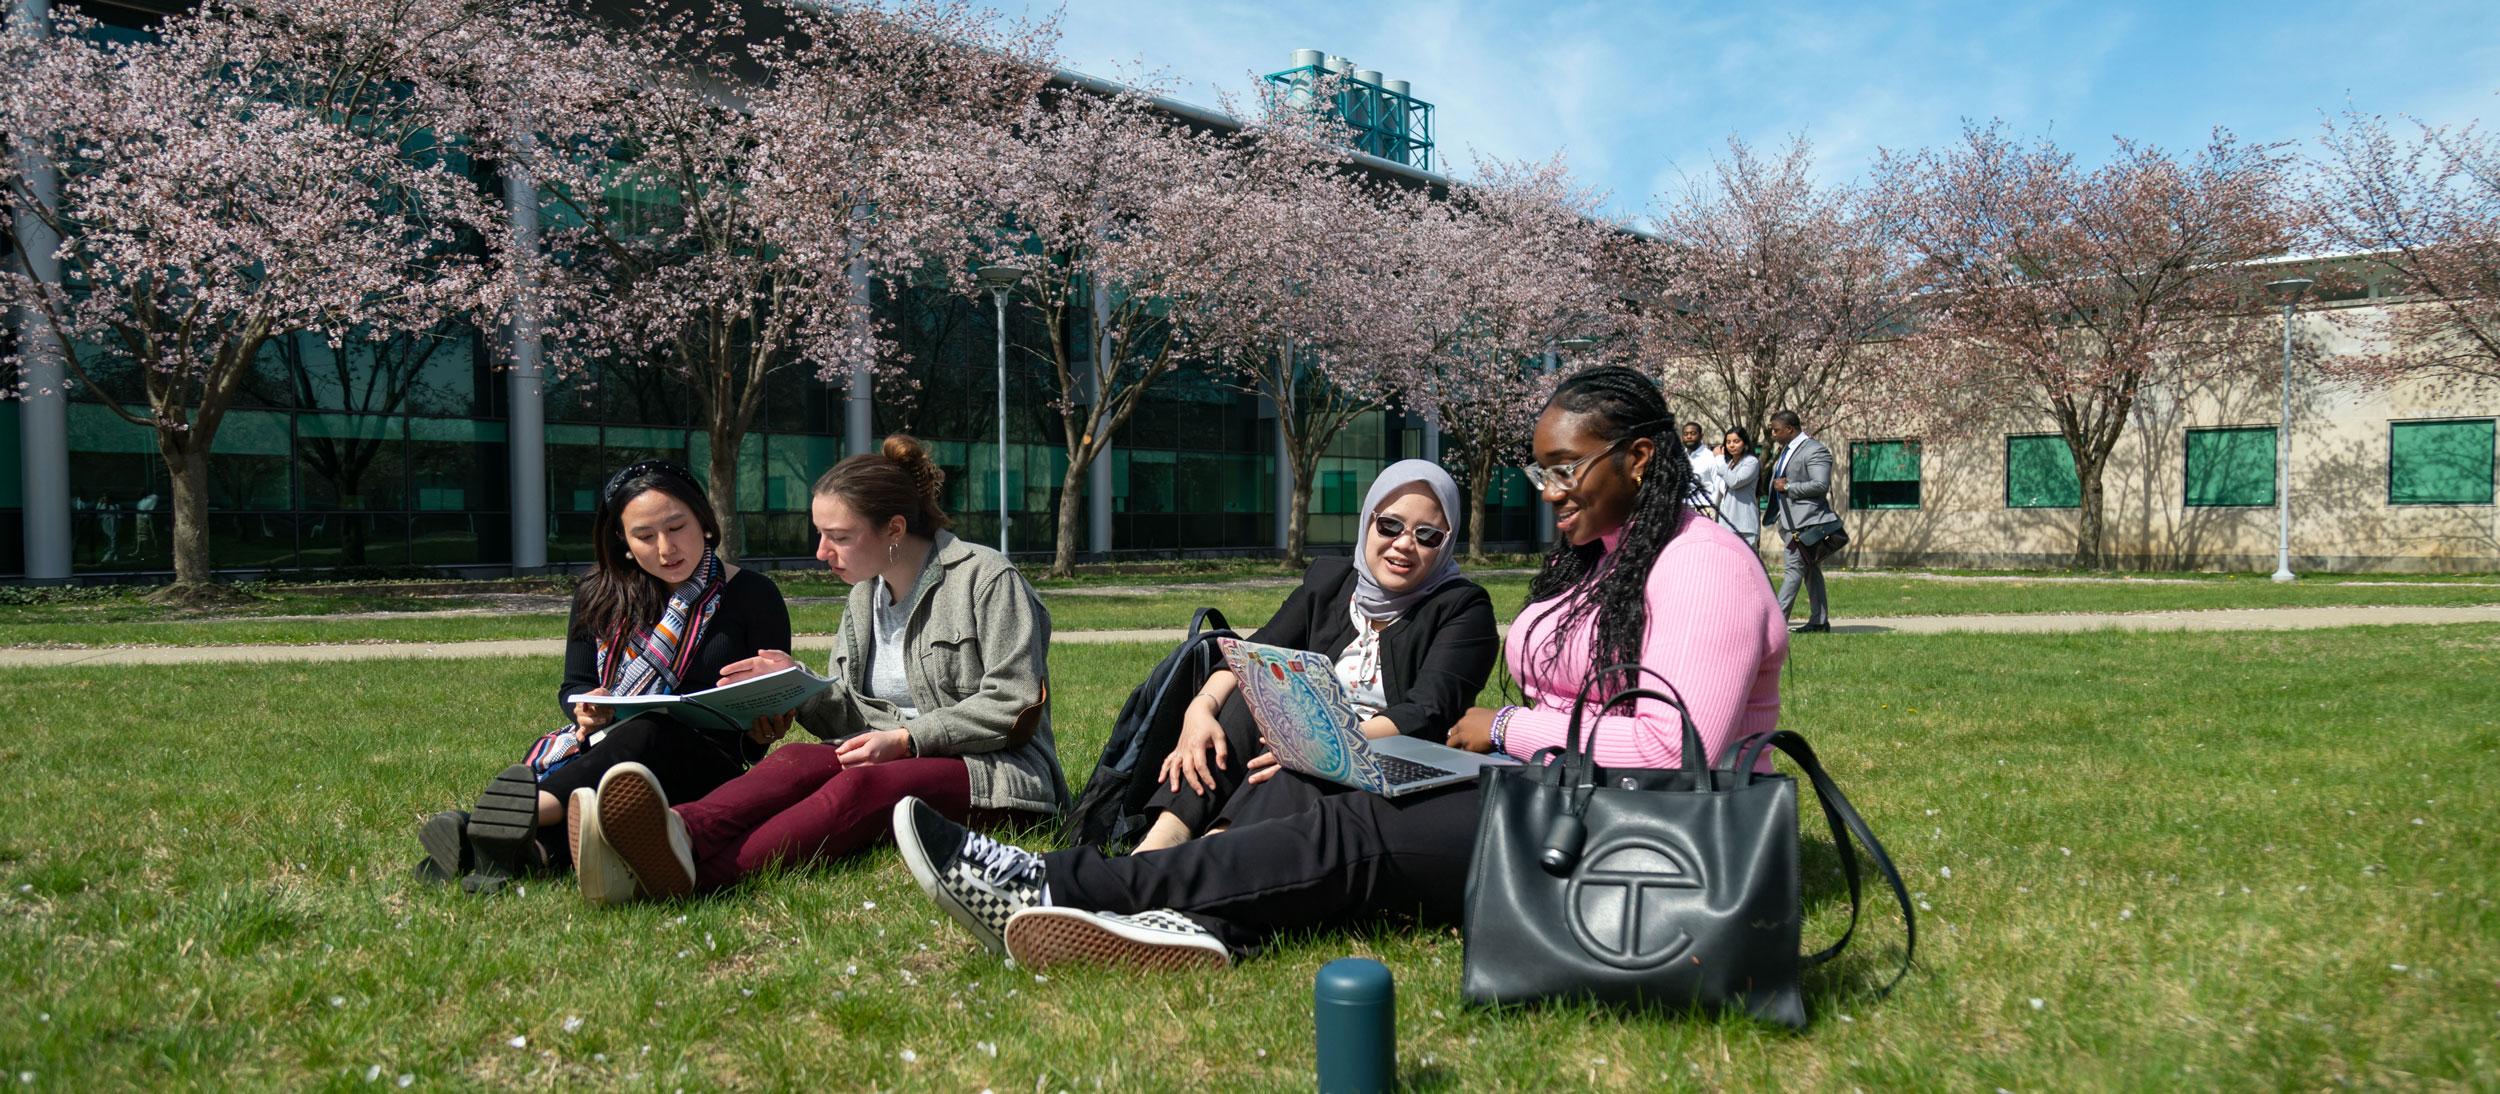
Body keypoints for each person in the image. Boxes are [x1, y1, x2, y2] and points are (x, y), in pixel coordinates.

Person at [887, 365, 1787, 969]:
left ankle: (1053, 883)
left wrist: (1507, 726)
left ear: (1638, 458)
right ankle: (1185, 919)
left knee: (1351, 836)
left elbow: (1678, 752)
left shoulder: (1700, 562)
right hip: (1545, 791)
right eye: (1538, 470)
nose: (1546, 491)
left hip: (1637, 836)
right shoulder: (1610, 557)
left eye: (1565, 469)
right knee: (1347, 809)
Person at [575, 435, 1069, 904]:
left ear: (894, 529)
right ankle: (677, 832)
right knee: (796, 763)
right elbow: (850, 715)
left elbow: (1015, 702)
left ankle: (689, 878)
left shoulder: (985, 578)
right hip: (892, 757)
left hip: (997, 775)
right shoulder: (863, 596)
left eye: (839, 537)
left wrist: (907, 739)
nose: (821, 552)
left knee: (857, 786)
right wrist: (794, 684)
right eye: (820, 535)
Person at [416, 459, 793, 892]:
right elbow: (573, 686)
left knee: (654, 729)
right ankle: (523, 853)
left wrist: (765, 729)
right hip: (606, 751)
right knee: (624, 764)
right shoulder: (598, 594)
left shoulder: (754, 594)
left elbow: (762, 708)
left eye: (677, 527)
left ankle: (502, 817)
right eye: (645, 536)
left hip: (710, 766)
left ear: (704, 522)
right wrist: (587, 707)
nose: (666, 548)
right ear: (622, 540)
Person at [1132, 459, 1497, 853]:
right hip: (1304, 737)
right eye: (1390, 525)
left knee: (1307, 774)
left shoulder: (1464, 608)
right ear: (1368, 520)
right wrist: (1199, 710)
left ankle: (1213, 852)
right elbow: (1257, 651)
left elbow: (1429, 711)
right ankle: (1164, 836)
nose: (1404, 544)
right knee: (1242, 701)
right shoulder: (1330, 580)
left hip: (1380, 756)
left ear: (1447, 542)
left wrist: (1320, 746)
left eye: (1427, 536)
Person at [1767, 409, 1837, 634]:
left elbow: (1820, 485)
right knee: (1811, 571)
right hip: (1789, 523)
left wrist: (1788, 487)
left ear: (1790, 429)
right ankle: (1819, 621)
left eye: (1776, 430)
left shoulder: (1815, 451)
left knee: (1793, 571)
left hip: (1806, 525)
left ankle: (1775, 626)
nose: (1773, 435)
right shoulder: (1787, 450)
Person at [1715, 426, 1762, 547]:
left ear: (1744, 443)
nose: (1731, 445)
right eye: (1728, 442)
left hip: (1744, 526)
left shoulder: (1751, 462)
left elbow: (1735, 482)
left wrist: (1719, 460)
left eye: (1736, 441)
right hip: (1726, 524)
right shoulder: (1729, 464)